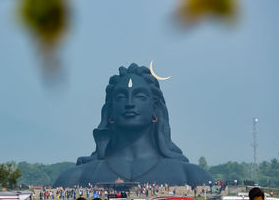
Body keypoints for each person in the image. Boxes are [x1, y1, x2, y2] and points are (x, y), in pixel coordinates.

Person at [55, 63, 213, 187]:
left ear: (155, 110)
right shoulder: (75, 177)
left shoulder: (191, 175)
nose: (130, 104)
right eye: (121, 97)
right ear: (110, 111)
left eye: (140, 96)